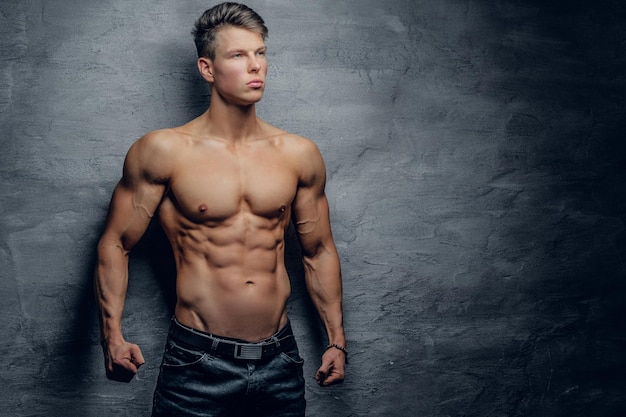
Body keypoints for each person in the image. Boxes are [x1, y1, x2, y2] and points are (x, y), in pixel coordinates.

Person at [94, 2, 346, 416]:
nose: (256, 66)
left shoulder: (299, 154)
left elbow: (319, 251)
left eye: (260, 53)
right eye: (238, 55)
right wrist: (112, 336)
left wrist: (336, 341)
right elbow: (115, 243)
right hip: (197, 363)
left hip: (280, 360)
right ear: (207, 69)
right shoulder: (163, 151)